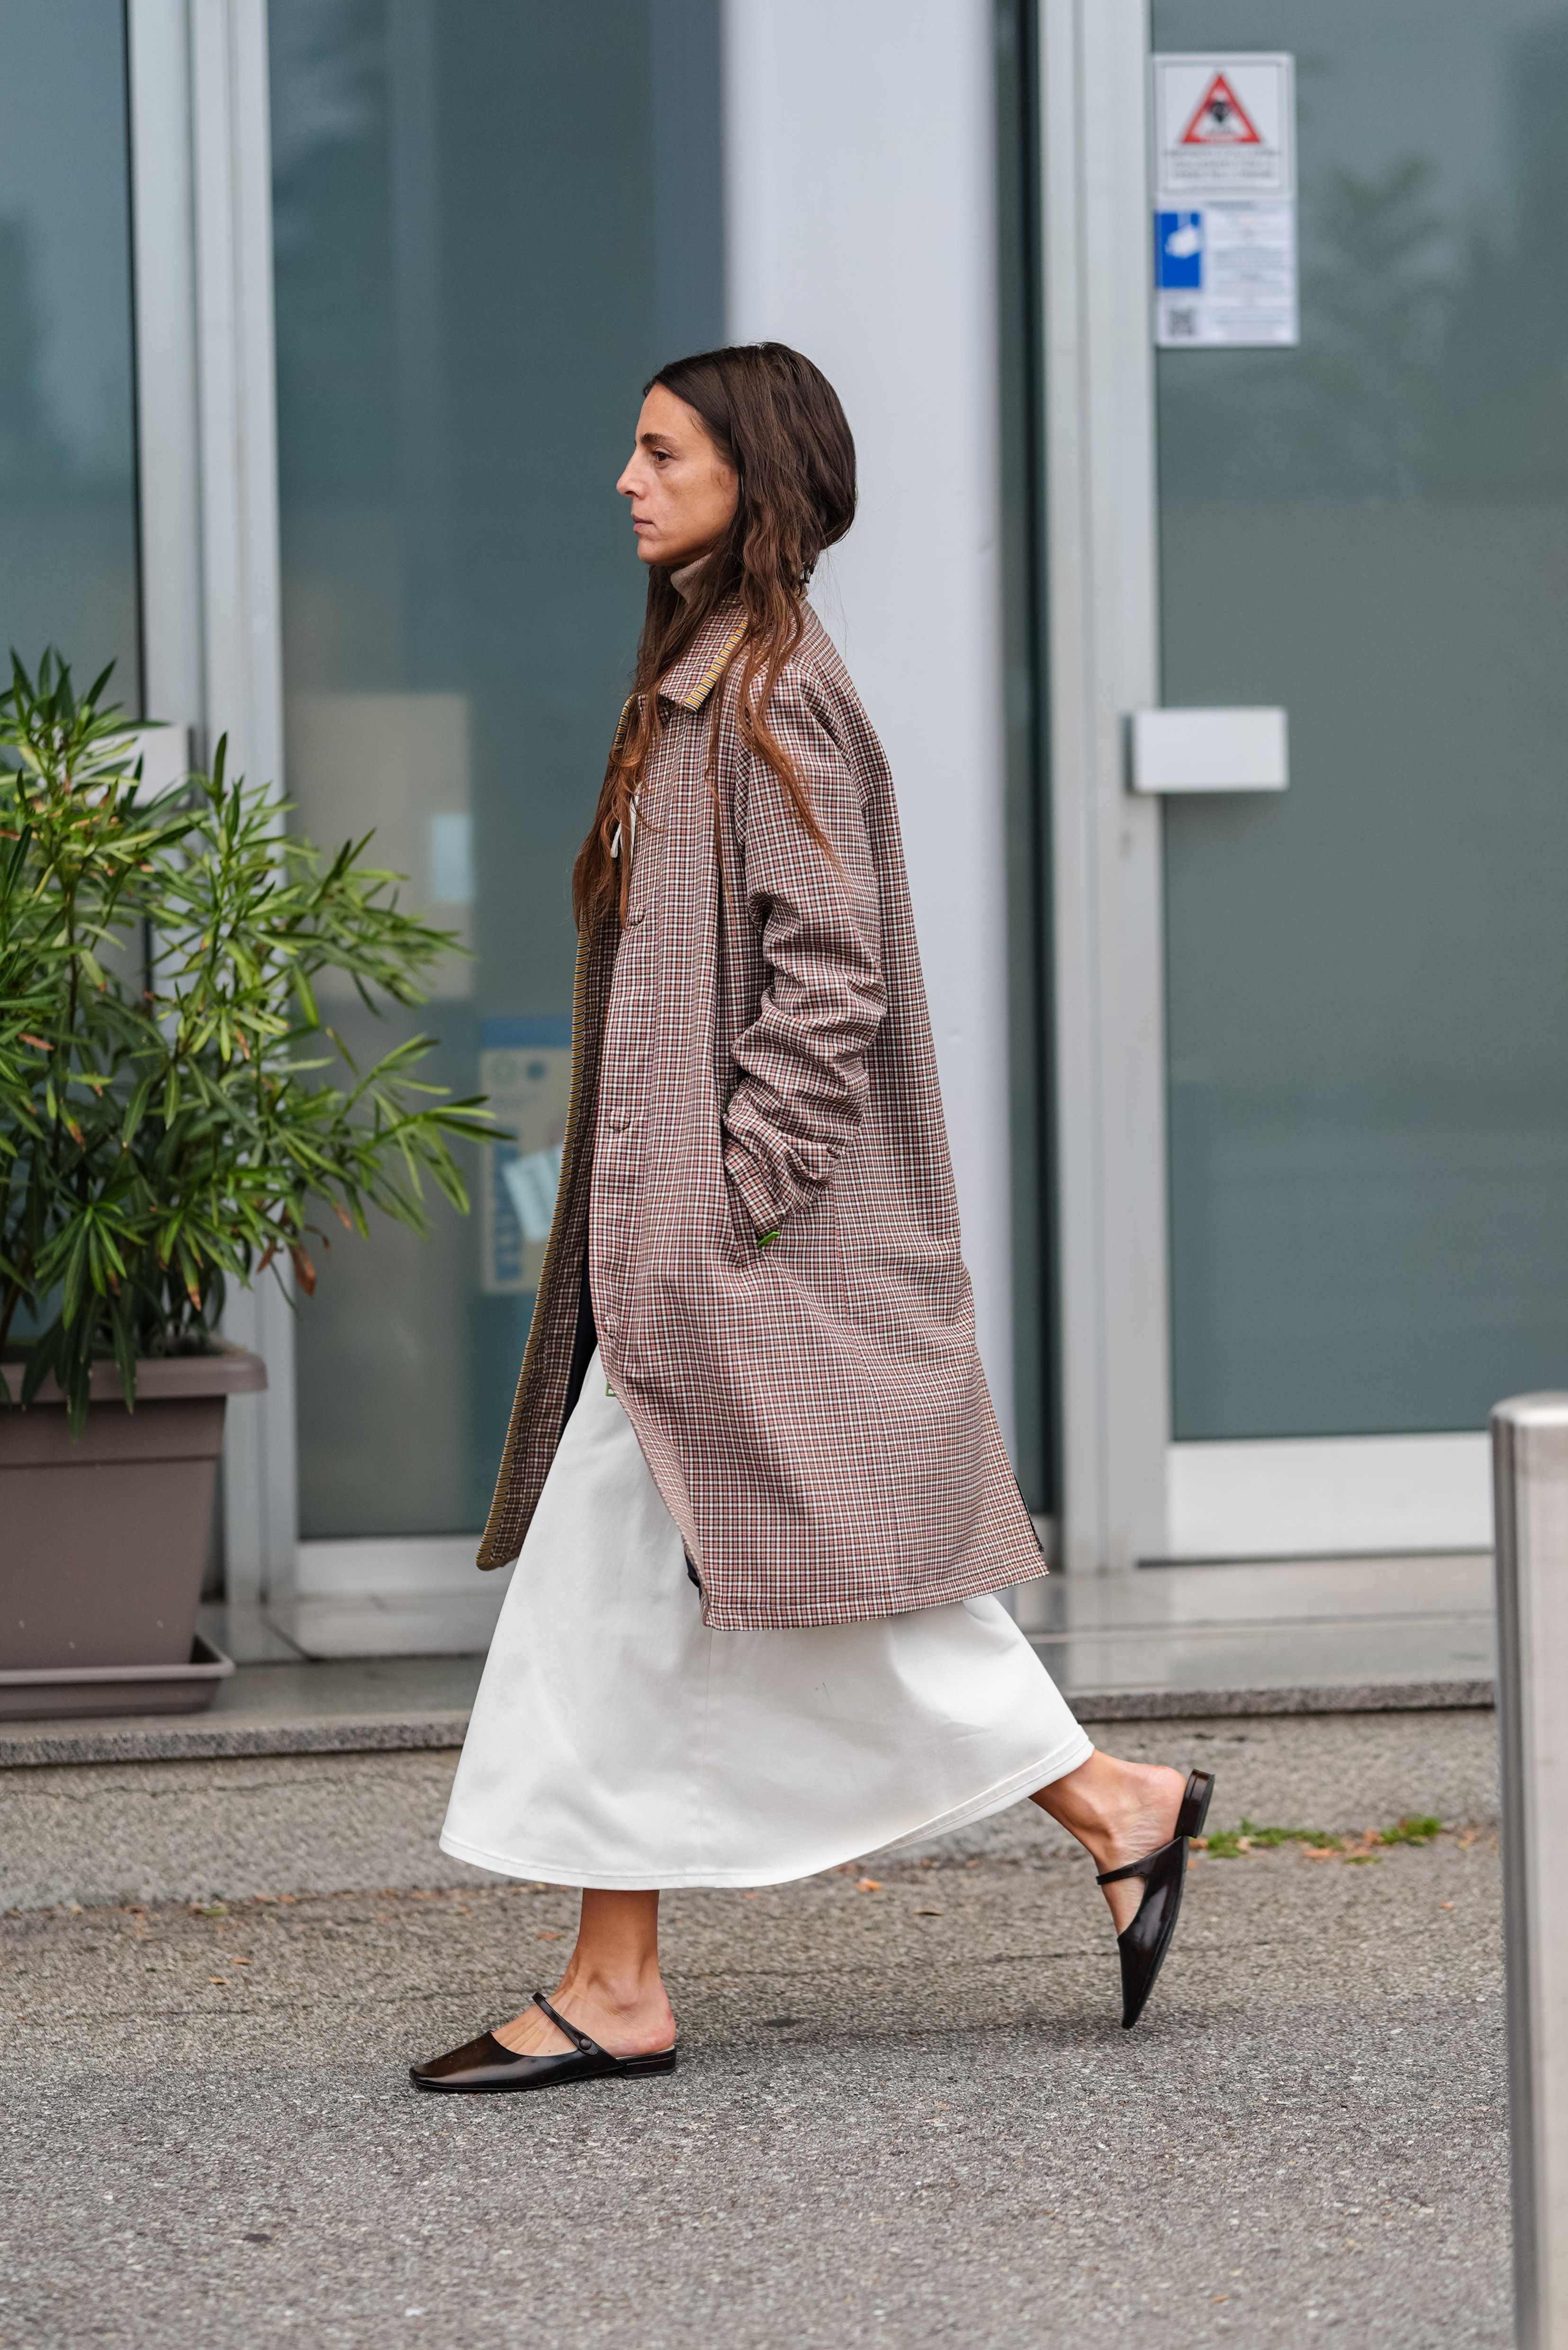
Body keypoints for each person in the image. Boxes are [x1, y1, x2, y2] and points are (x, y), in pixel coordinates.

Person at [411, 344, 1211, 2097]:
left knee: (649, 1585)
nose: (624, 480)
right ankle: (1096, 1808)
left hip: (722, 1257)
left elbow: (826, 983)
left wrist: (723, 1201)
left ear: (747, 478)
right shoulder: (706, 678)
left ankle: (632, 1978)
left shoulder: (771, 693)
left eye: (658, 450)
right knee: (668, 1590)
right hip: (685, 1259)